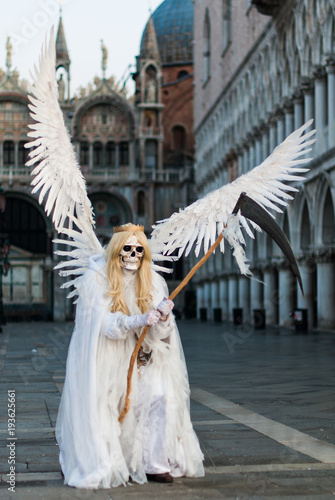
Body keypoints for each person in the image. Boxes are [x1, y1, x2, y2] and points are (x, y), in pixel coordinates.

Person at [56, 223, 204, 489]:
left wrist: (163, 317)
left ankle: (154, 463)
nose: (133, 255)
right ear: (116, 250)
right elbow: (103, 325)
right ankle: (119, 460)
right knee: (117, 403)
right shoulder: (97, 278)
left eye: (139, 250)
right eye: (127, 248)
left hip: (146, 356)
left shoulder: (152, 280)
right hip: (110, 358)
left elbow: (161, 333)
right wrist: (138, 319)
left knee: (158, 396)